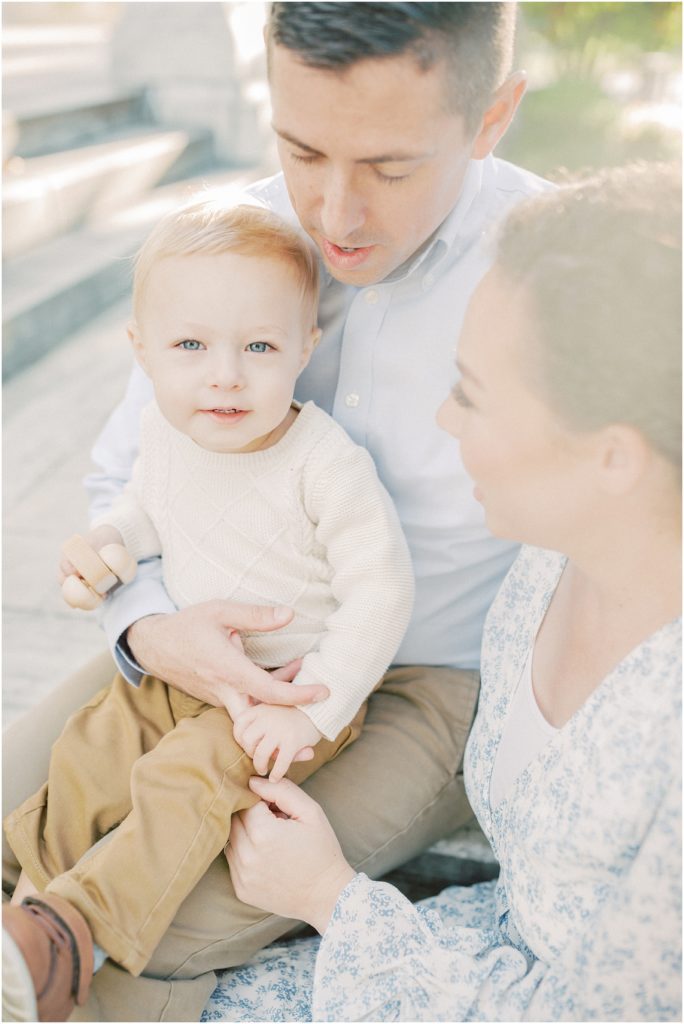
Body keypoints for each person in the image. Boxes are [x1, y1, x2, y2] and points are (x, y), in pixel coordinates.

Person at [3, 4, 548, 1020]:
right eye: (303, 151)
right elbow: (128, 473)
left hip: (424, 682)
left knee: (157, 921)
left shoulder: (547, 276)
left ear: (492, 118)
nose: (334, 213)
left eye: (389, 167)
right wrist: (152, 626)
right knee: (16, 807)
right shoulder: (231, 243)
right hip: (202, 630)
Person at [214, 163, 682, 1022]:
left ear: (614, 455)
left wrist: (332, 899)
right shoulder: (545, 560)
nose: (444, 421)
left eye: (471, 393)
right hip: (467, 951)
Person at [3, 200, 414, 1021]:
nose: (224, 374)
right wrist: (108, 544)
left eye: (259, 347)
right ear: (143, 352)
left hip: (278, 698)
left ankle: (75, 936)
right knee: (87, 754)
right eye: (190, 346)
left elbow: (382, 587)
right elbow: (140, 510)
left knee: (182, 783)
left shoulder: (322, 462)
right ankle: (34, 916)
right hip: (182, 669)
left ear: (307, 347)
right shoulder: (166, 429)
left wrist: (319, 707)